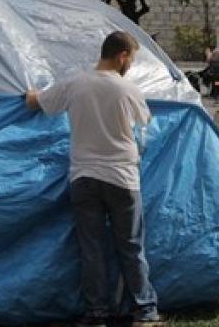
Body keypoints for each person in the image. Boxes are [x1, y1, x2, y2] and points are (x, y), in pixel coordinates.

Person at [25, 31, 163, 327]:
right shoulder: (129, 90)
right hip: (123, 178)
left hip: (84, 177)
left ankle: (96, 314)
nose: (131, 66)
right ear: (122, 55)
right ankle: (145, 310)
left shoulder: (75, 83)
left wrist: (26, 91)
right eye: (132, 59)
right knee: (131, 247)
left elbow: (36, 102)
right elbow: (147, 124)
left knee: (92, 249)